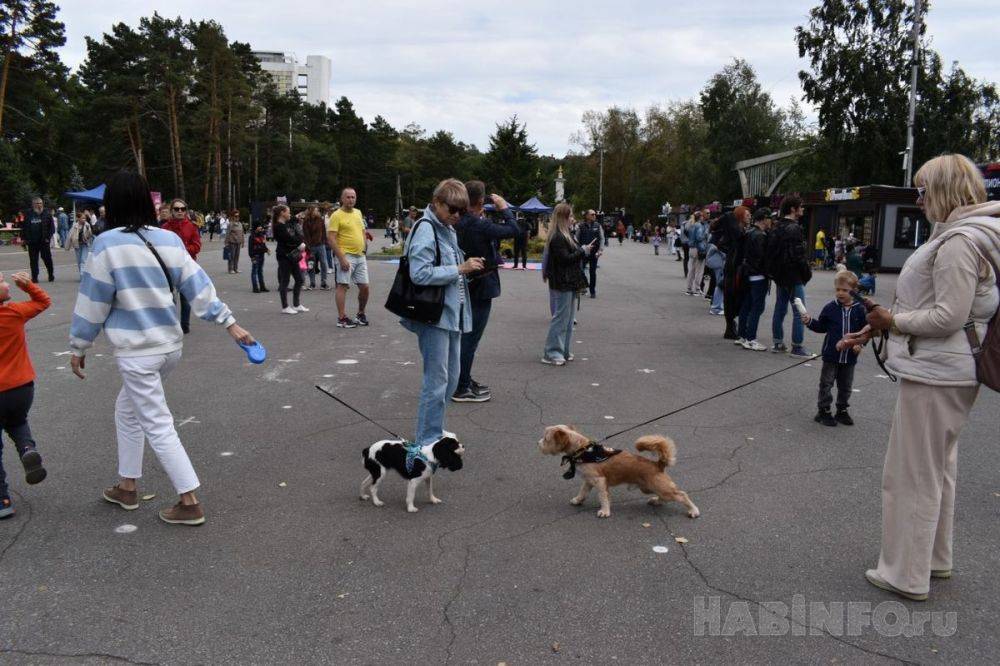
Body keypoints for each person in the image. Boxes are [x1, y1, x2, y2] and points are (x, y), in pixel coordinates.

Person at [837, 154, 1000, 601]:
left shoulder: (958, 242)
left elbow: (947, 316)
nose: (919, 198)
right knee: (937, 469)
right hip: (949, 371)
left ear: (944, 191)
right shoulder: (974, 234)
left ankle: (905, 573)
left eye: (923, 190)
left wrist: (894, 321)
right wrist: (877, 326)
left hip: (937, 372)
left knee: (911, 474)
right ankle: (933, 560)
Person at [68, 170, 255, 527]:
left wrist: (79, 346)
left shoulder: (106, 245)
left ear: (115, 204)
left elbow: (93, 302)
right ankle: (127, 486)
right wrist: (230, 324)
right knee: (128, 410)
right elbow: (199, 287)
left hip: (137, 350)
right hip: (169, 346)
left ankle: (189, 501)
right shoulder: (168, 240)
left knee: (156, 422)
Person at [401, 179, 482, 445]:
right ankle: (427, 439)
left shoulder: (446, 227)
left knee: (451, 377)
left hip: (451, 313)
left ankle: (433, 429)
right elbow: (419, 273)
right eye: (452, 209)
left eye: (462, 210)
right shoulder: (426, 228)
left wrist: (468, 270)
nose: (457, 216)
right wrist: (460, 269)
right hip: (433, 315)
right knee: (436, 381)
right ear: (436, 203)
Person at [452, 181, 519, 403]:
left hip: (465, 282)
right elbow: (514, 230)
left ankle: (463, 378)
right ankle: (460, 387)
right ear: (481, 201)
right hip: (481, 285)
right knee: (470, 338)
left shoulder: (459, 220)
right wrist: (504, 207)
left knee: (464, 336)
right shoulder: (477, 224)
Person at [0, 270, 51, 518]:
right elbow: (43, 302)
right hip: (21, 387)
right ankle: (26, 449)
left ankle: (2, 500)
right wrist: (29, 286)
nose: (6, 282)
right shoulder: (15, 313)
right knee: (18, 421)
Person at [800, 271, 867, 426]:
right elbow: (821, 327)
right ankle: (823, 411)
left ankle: (842, 410)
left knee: (846, 386)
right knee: (826, 383)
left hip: (850, 357)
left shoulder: (860, 309)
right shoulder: (830, 308)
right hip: (831, 355)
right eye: (837, 289)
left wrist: (860, 344)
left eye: (844, 290)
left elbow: (865, 331)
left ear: (854, 290)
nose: (840, 293)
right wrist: (810, 322)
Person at [542, 203, 593, 366]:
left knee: (568, 318)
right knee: (561, 318)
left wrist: (583, 251)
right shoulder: (558, 236)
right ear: (563, 218)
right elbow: (564, 259)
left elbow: (571, 256)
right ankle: (552, 352)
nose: (573, 219)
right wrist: (583, 251)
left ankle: (562, 349)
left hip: (568, 280)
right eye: (570, 216)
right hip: (562, 281)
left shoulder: (566, 234)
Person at [767, 196, 813, 357]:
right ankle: (797, 346)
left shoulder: (776, 227)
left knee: (780, 309)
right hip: (794, 275)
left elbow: (771, 253)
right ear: (793, 209)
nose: (803, 209)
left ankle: (778, 342)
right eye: (801, 206)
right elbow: (798, 255)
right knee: (799, 311)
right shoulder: (795, 228)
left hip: (780, 275)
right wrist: (806, 273)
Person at [328, 187, 373, 328]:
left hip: (360, 256)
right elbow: (331, 238)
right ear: (342, 199)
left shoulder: (358, 212)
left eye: (353, 197)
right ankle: (341, 318)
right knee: (343, 286)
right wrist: (341, 258)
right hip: (346, 255)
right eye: (348, 197)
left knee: (365, 287)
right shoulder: (336, 215)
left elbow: (362, 230)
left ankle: (360, 314)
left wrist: (364, 244)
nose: (351, 199)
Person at [160, 199, 201, 335]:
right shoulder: (165, 227)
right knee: (169, 298)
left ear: (186, 211)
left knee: (185, 298)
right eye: (177, 209)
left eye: (182, 209)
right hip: (168, 268)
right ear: (172, 211)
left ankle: (185, 325)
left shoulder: (192, 226)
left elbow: (197, 246)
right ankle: (170, 324)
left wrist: (180, 249)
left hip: (186, 265)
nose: (180, 211)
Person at [737, 208, 772, 351]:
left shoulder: (749, 232)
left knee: (746, 305)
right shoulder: (760, 235)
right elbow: (762, 258)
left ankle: (742, 336)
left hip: (748, 274)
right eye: (769, 218)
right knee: (757, 307)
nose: (771, 221)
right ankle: (751, 338)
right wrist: (769, 273)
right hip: (758, 275)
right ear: (764, 219)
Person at [272, 205, 307, 315]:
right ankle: (285, 306)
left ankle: (296, 304)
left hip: (292, 255)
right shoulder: (279, 226)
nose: (290, 214)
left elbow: (292, 220)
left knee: (299, 279)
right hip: (284, 256)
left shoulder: (285, 224)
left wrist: (299, 216)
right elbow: (289, 238)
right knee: (285, 281)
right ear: (282, 213)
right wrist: (300, 242)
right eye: (288, 212)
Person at [20, 198, 55, 283]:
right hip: (32, 242)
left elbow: (52, 228)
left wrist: (48, 238)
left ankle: (50, 274)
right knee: (33, 260)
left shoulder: (47, 213)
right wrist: (23, 239)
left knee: (47, 259)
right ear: (33, 204)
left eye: (41, 203)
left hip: (44, 242)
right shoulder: (28, 214)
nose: (39, 205)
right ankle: (34, 277)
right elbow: (24, 227)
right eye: (37, 203)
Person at [575, 209, 604, 298]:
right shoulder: (580, 226)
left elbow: (602, 238)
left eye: (595, 214)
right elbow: (576, 239)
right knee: (580, 271)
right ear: (587, 215)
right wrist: (579, 250)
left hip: (594, 253)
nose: (594, 216)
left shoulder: (598, 225)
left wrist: (600, 250)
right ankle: (582, 287)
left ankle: (592, 291)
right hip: (583, 252)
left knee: (592, 272)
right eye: (592, 214)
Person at [301, 206, 329, 291]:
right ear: (311, 211)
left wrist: (324, 241)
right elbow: (306, 235)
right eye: (316, 210)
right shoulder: (306, 221)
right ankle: (312, 283)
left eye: (318, 210)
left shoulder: (320, 220)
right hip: (311, 246)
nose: (317, 212)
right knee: (311, 265)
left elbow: (324, 231)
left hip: (321, 245)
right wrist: (308, 246)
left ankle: (323, 282)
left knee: (324, 263)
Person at [684, 213, 707, 296]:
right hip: (698, 249)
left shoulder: (691, 225)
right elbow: (699, 237)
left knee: (691, 270)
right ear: (700, 217)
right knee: (699, 270)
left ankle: (689, 289)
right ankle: (697, 289)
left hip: (691, 249)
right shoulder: (699, 226)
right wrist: (705, 235)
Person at [65, 211, 94, 275]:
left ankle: (82, 275)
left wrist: (88, 232)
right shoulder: (74, 225)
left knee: (83, 260)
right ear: (78, 218)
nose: (84, 219)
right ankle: (81, 272)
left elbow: (90, 234)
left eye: (84, 218)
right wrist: (67, 247)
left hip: (85, 244)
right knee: (79, 261)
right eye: (82, 218)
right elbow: (70, 236)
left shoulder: (87, 225)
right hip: (77, 245)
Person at [248, 224, 270, 293]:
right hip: (256, 255)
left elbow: (263, 245)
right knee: (254, 271)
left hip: (261, 255)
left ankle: (262, 286)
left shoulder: (262, 235)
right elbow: (250, 248)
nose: (261, 228)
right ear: (256, 228)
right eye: (259, 226)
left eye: (261, 226)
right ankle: (255, 287)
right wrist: (252, 257)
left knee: (260, 271)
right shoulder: (252, 236)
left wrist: (267, 250)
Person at [224, 209, 244, 274]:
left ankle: (236, 268)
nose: (237, 217)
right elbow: (227, 233)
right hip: (232, 242)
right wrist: (226, 243)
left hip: (238, 242)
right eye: (235, 216)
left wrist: (243, 241)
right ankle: (230, 269)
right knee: (231, 256)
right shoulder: (230, 224)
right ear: (232, 216)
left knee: (237, 256)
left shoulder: (240, 224)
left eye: (238, 216)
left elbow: (242, 233)